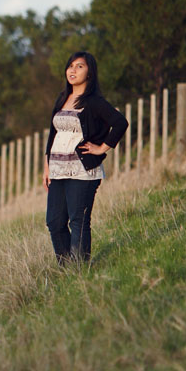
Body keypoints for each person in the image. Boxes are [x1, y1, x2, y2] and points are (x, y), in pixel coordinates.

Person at [43, 52, 127, 264]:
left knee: (78, 220)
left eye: (79, 66)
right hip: (57, 169)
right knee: (54, 221)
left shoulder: (94, 102)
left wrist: (102, 148)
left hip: (82, 170)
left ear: (90, 73)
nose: (73, 70)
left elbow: (120, 122)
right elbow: (53, 134)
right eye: (70, 66)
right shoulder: (62, 99)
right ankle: (66, 268)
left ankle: (79, 270)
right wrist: (46, 167)